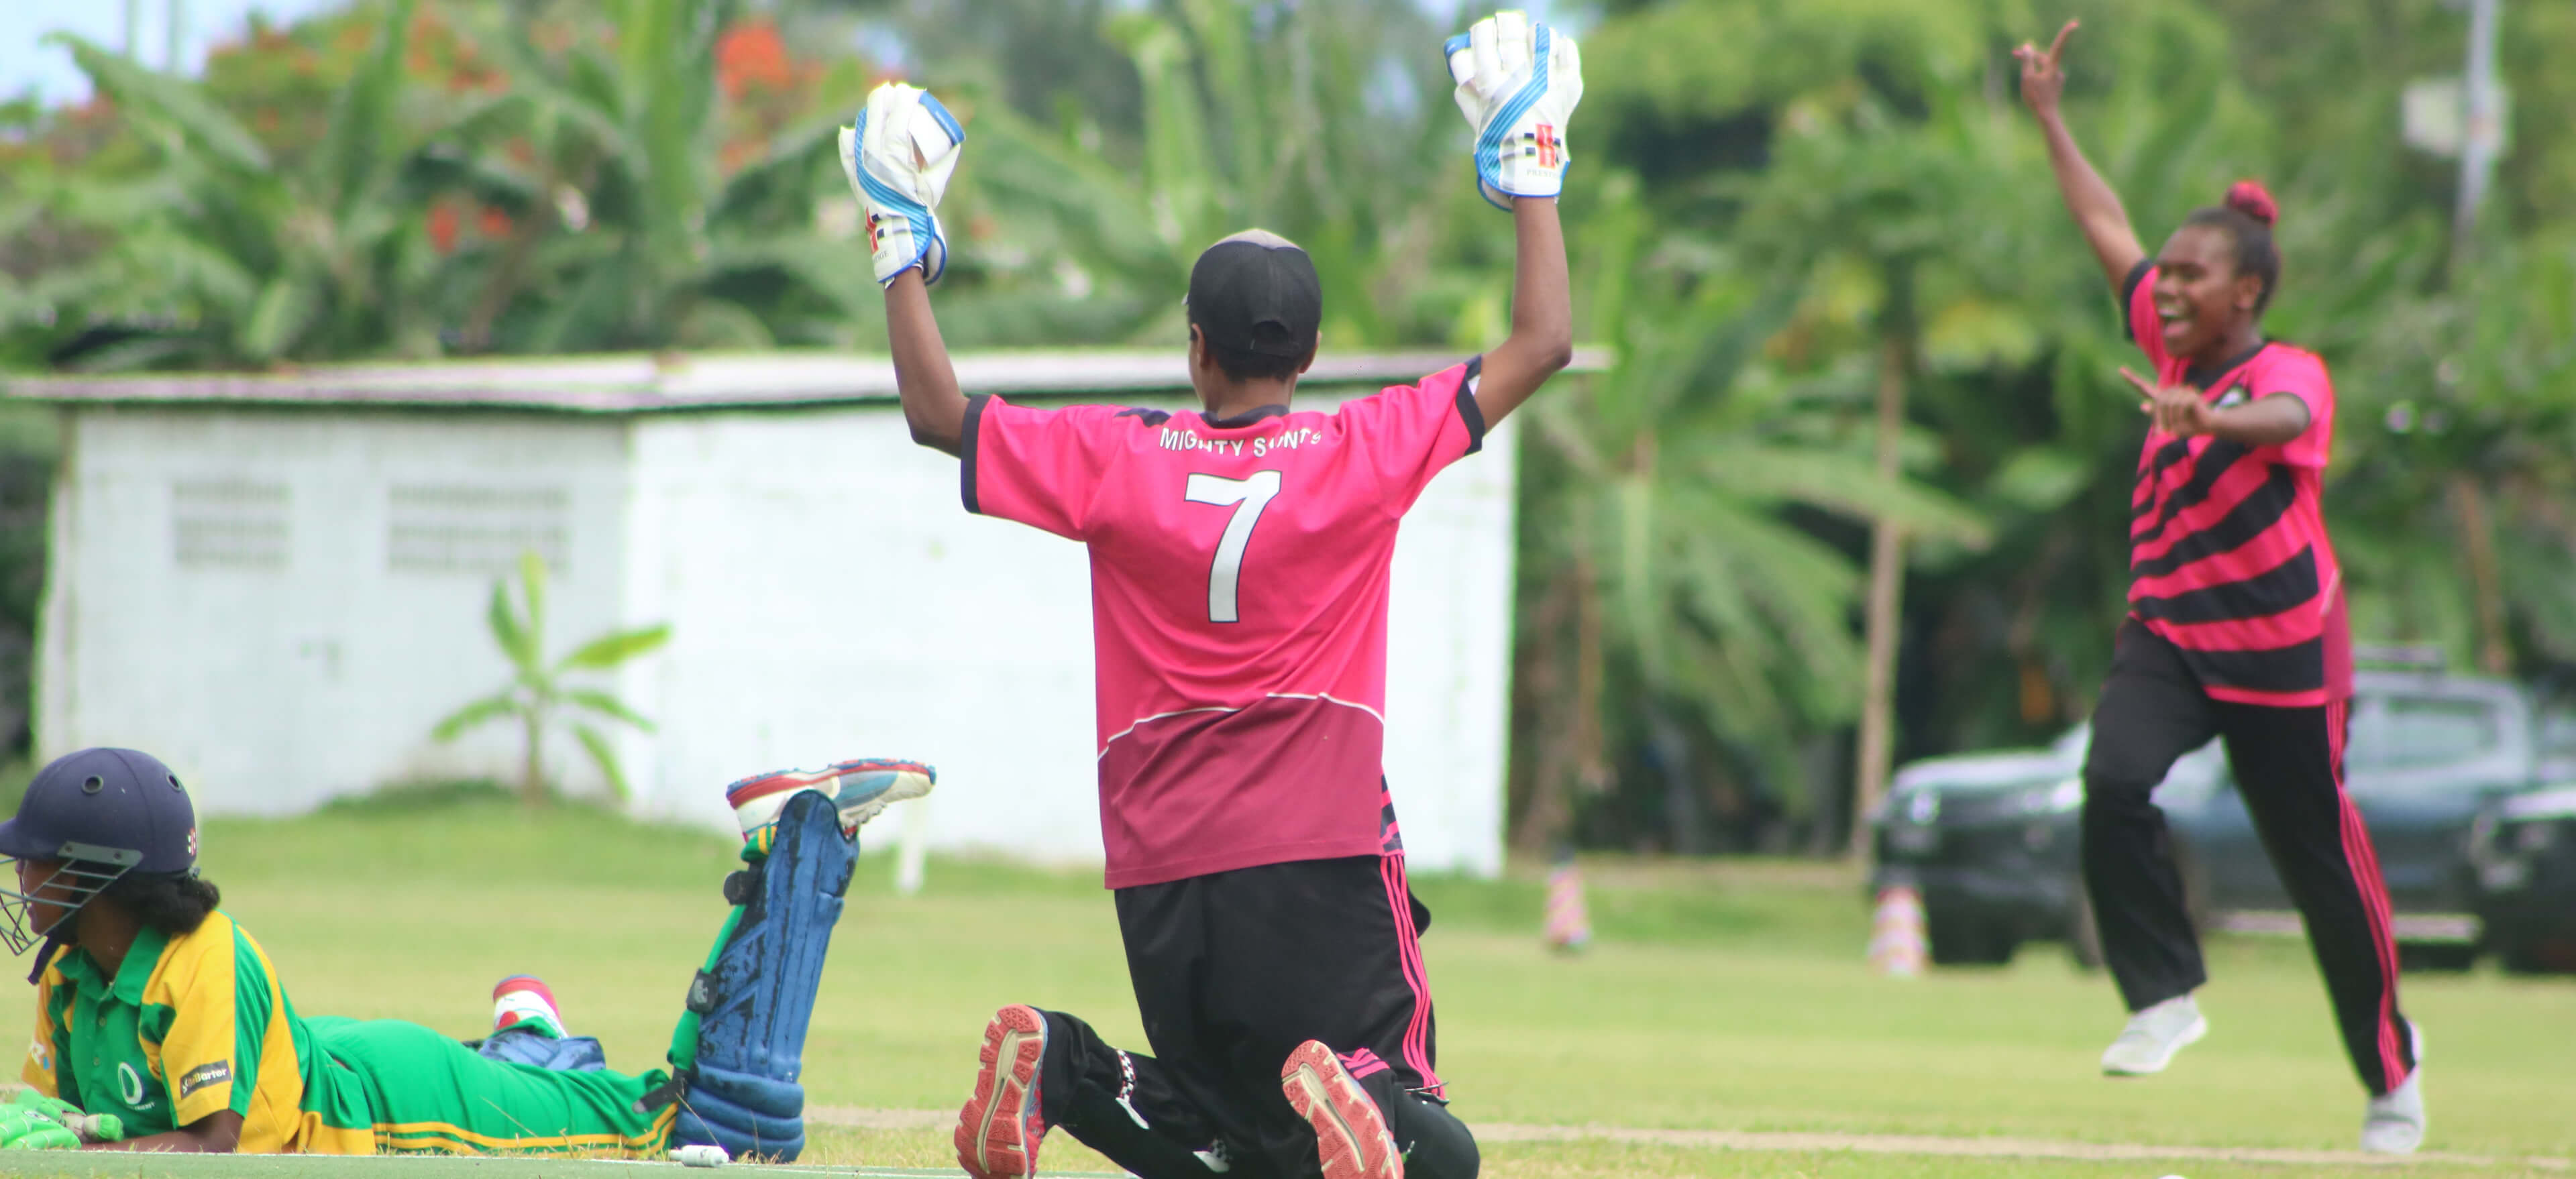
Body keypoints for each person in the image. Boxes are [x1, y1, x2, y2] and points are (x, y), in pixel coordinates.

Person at [837, 11, 1578, 1179]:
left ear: (1197, 349)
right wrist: (1528, 166)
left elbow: (940, 417)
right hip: (1318, 843)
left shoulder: (1115, 458)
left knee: (1243, 1144)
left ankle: (1071, 1068)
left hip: (1159, 866)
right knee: (1438, 1155)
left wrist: (897, 244)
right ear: (1313, 352)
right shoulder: (1364, 448)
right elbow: (1543, 341)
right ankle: (1371, 1102)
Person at [2015, 19, 2422, 1154]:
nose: (2170, 286)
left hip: (2286, 652)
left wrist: (2209, 416)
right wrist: (2051, 117)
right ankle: (2164, 996)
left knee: (2323, 877)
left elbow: (2284, 423)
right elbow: (2103, 224)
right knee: (2112, 782)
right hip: (2173, 638)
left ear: (2247, 291)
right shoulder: (2165, 330)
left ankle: (2392, 1075)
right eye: (2171, 273)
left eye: (2194, 275)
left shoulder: (2285, 372)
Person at [0, 746, 928, 1156]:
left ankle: (794, 836)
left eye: (34, 859)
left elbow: (217, 1143)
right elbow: (63, 1125)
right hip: (326, 1058)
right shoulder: (73, 973)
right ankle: (530, 1041)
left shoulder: (198, 956)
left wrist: (68, 1140)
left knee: (693, 1127)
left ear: (102, 871)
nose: (21, 875)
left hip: (390, 1109)